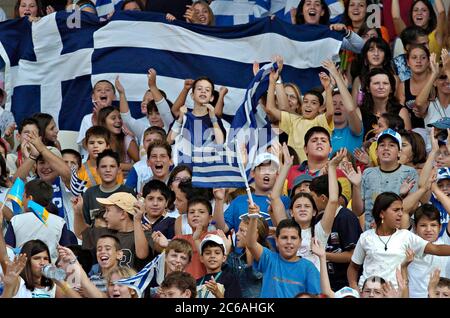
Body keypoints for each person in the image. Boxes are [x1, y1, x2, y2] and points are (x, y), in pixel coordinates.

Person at [347, 192, 450, 290]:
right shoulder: (366, 237)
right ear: (382, 213)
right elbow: (353, 267)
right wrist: (354, 286)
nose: (401, 214)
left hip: (396, 293)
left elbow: (436, 249)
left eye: (401, 210)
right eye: (396, 210)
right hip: (369, 293)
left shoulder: (406, 236)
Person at [271, 145, 344, 271]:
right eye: (298, 206)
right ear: (291, 212)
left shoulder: (320, 230)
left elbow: (332, 200)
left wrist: (331, 168)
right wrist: (287, 166)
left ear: (314, 211)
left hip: (313, 286)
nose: (303, 209)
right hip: (290, 284)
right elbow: (275, 198)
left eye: (307, 206)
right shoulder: (286, 229)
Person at [347, 129, 419, 230]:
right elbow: (357, 211)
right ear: (376, 152)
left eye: (391, 145)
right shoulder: (368, 173)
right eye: (382, 145)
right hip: (371, 234)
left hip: (398, 234)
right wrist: (356, 186)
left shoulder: (409, 173)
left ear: (399, 152)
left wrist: (401, 195)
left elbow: (412, 208)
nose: (386, 148)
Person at [265, 57, 334, 162]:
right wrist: (272, 82)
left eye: (313, 103)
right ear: (301, 105)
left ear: (320, 108)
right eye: (305, 101)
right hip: (293, 170)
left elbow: (330, 112)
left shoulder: (320, 121)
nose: (308, 105)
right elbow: (270, 108)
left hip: (314, 171)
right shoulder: (293, 120)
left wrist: (328, 88)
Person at [247, 204, 321, 298]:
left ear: (300, 242)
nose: (289, 242)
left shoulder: (309, 268)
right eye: (284, 238)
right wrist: (253, 218)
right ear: (276, 241)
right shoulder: (269, 259)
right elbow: (250, 243)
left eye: (293, 238)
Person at [309, 172, 362, 291]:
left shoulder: (347, 217)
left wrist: (321, 254)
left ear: (322, 198)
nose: (310, 200)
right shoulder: (318, 218)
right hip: (325, 281)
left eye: (312, 196)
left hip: (344, 285)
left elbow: (353, 255)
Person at [214, 152, 290, 236]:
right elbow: (221, 228)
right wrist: (219, 200)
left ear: (277, 175)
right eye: (262, 169)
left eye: (271, 170)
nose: (267, 173)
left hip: (272, 249)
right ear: (252, 173)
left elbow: (286, 232)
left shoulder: (284, 201)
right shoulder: (239, 200)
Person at [5, 179, 75, 262]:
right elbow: (66, 251)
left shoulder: (16, 220)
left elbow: (7, 249)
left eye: (23, 196)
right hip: (50, 270)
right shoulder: (60, 222)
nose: (22, 201)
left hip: (22, 270)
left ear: (30, 198)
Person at [96, 192, 155, 270]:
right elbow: (80, 234)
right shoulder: (106, 232)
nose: (104, 215)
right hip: (105, 281)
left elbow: (142, 254)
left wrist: (137, 220)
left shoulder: (144, 233)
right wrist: (78, 212)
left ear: (123, 214)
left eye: (108, 210)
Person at [82, 149, 135, 226]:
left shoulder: (128, 192)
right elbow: (86, 224)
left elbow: (133, 223)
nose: (108, 170)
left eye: (112, 166)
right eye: (103, 166)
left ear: (119, 170)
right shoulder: (89, 193)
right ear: (97, 170)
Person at [407, 205, 449, 298]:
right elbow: (404, 210)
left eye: (433, 225)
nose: (428, 230)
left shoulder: (445, 240)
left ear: (440, 227)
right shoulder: (411, 241)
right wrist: (424, 189)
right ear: (415, 227)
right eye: (423, 225)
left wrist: (435, 189)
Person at [325, 59, 363, 156]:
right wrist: (331, 86)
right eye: (333, 104)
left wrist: (337, 76)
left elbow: (351, 109)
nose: (337, 107)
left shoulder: (355, 130)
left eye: (342, 104)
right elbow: (317, 105)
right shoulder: (322, 130)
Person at [76, 80, 116, 160]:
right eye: (99, 90)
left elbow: (116, 145)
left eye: (107, 90)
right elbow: (85, 145)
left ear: (114, 97)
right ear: (93, 97)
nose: (103, 92)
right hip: (89, 164)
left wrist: (100, 120)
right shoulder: (87, 118)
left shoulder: (119, 118)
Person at [97, 106, 139, 175]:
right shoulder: (97, 141)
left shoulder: (127, 140)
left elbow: (141, 166)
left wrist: (117, 165)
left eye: (120, 118)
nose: (118, 121)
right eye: (113, 118)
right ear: (103, 122)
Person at [197, 234, 241, 298]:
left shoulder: (231, 280)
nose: (212, 256)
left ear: (224, 258)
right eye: (208, 253)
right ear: (201, 258)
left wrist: (217, 293)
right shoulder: (196, 283)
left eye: (217, 253)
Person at [415, 49, 450, 128]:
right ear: (434, 82)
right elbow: (419, 103)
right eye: (442, 77)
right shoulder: (429, 104)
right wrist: (434, 74)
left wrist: (448, 69)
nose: (447, 81)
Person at [124, 126, 166, 193]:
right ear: (143, 144)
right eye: (148, 140)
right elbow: (126, 192)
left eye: (156, 140)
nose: (152, 143)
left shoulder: (170, 163)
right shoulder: (137, 167)